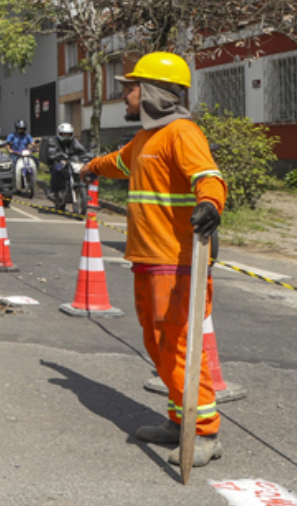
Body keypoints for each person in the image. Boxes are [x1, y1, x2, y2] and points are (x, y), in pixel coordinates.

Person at [82, 52, 226, 467]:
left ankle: (204, 432)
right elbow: (119, 163)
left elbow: (209, 177)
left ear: (154, 94)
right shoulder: (147, 138)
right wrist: (90, 168)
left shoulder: (182, 133)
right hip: (147, 259)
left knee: (178, 344)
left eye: (130, 88)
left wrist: (210, 205)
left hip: (176, 260)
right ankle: (179, 420)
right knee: (157, 343)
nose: (125, 95)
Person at [42, 122, 88, 202]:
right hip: (58, 161)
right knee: (57, 169)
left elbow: (81, 150)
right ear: (59, 133)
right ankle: (54, 191)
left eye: (68, 134)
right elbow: (51, 152)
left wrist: (88, 155)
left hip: (71, 162)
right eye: (63, 134)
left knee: (84, 170)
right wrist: (57, 156)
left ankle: (83, 193)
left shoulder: (74, 141)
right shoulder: (53, 141)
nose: (66, 136)